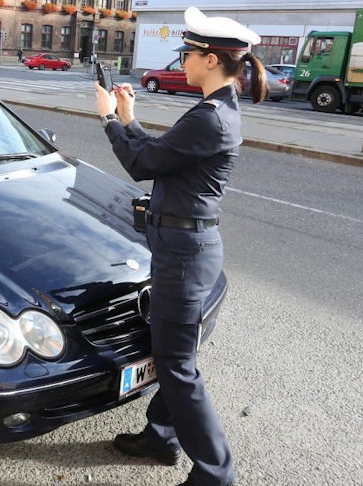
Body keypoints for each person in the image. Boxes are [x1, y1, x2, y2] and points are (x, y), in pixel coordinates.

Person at [93, 7, 266, 486]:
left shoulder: (210, 118)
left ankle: (215, 473)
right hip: (184, 248)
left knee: (177, 366)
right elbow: (163, 157)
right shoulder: (216, 110)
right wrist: (130, 120)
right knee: (175, 355)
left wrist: (109, 119)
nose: (183, 61)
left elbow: (142, 163)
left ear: (211, 59)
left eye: (188, 54)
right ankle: (161, 435)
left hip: (186, 256)